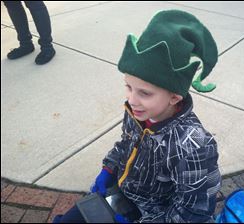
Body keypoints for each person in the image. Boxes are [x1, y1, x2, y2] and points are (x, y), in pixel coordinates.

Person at [53, 9, 221, 223]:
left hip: (156, 214)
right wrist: (109, 168)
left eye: (145, 93)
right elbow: (126, 143)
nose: (132, 100)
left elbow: (193, 212)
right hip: (124, 195)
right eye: (129, 87)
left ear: (174, 97)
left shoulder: (194, 146)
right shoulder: (139, 113)